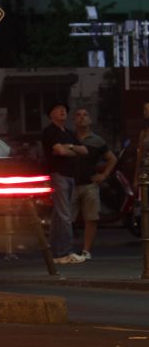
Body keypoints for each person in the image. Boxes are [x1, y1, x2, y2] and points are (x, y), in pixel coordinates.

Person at [41, 101, 88, 264]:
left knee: (58, 216)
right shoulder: (49, 131)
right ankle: (65, 251)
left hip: (70, 176)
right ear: (51, 114)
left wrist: (68, 147)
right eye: (58, 108)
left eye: (64, 109)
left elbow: (84, 150)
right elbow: (59, 151)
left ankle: (55, 253)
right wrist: (71, 150)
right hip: (58, 175)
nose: (62, 111)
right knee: (64, 214)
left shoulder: (69, 133)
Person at [72, 107, 117, 260]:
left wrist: (104, 175)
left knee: (91, 218)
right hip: (71, 184)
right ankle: (65, 249)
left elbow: (112, 159)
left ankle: (86, 250)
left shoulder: (97, 141)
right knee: (66, 219)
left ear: (90, 119)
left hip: (90, 184)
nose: (82, 117)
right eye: (78, 115)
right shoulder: (69, 138)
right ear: (74, 120)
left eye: (85, 115)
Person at [135, 102, 149, 192]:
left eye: (147, 109)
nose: (145, 112)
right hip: (145, 171)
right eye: (144, 109)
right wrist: (135, 178)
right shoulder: (143, 133)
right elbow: (139, 155)